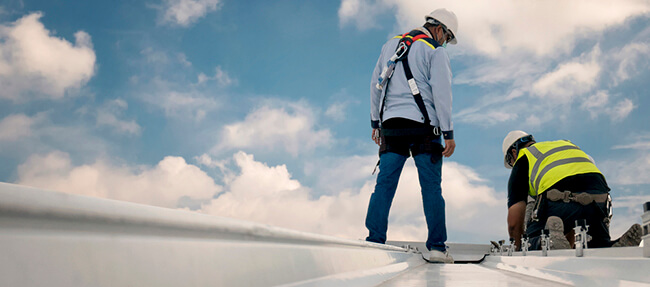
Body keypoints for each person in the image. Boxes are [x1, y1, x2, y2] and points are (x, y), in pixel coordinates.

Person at [365, 8, 458, 263]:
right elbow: (442, 94)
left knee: (384, 185)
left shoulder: (390, 45)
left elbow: (376, 83)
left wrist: (376, 122)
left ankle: (374, 241)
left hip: (391, 127)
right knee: (431, 188)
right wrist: (448, 132)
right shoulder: (434, 51)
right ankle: (437, 247)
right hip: (424, 130)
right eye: (447, 37)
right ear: (439, 29)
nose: (445, 43)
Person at [502, 130, 642, 250]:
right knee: (597, 247)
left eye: (510, 161)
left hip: (560, 199)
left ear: (514, 152)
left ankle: (547, 241)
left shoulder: (524, 157)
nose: (513, 164)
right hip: (599, 199)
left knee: (533, 238)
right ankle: (613, 248)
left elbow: (515, 222)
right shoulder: (564, 144)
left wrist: (519, 248)